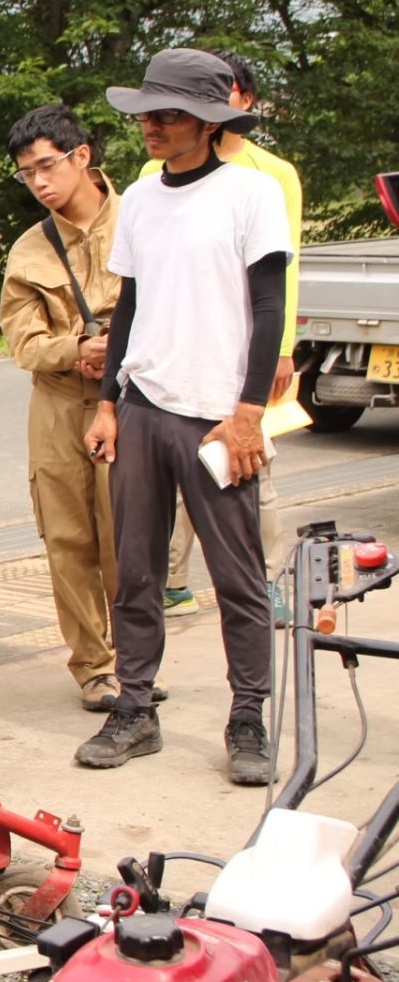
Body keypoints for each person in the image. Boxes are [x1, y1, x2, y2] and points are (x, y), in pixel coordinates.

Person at [81, 49, 291, 785]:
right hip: (144, 406)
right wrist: (109, 401)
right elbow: (129, 305)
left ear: (207, 123)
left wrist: (248, 412)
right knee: (135, 571)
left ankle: (248, 716)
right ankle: (135, 708)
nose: (151, 126)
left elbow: (269, 308)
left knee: (239, 576)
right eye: (146, 112)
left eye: (168, 114)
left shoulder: (249, 194)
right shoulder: (139, 199)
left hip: (216, 414)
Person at [142, 50, 303, 621]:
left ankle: (271, 582)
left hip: (239, 362)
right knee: (175, 488)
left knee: (248, 470)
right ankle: (174, 581)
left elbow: (283, 275)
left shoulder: (269, 176)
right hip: (168, 368)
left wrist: (281, 350)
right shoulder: (148, 177)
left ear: (239, 103)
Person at [0, 104, 128, 713]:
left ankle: (139, 659)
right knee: (68, 540)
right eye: (27, 173)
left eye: (48, 166)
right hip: (57, 403)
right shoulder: (29, 250)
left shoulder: (140, 222)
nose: (40, 182)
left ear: (82, 156)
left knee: (129, 537)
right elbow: (22, 341)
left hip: (131, 400)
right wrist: (77, 348)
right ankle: (95, 669)